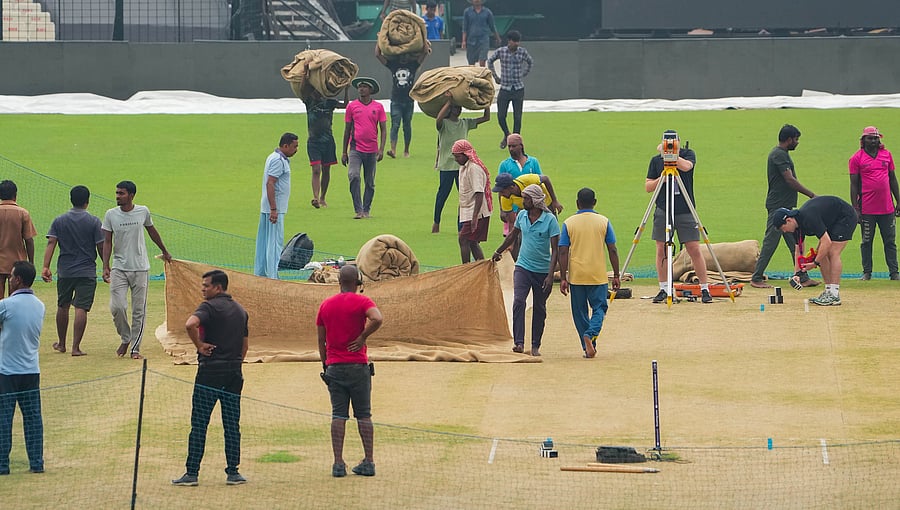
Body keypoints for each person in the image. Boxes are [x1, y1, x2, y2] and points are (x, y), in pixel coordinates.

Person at [172, 269, 249, 487]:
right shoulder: (240, 310)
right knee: (232, 423)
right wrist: (236, 363)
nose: (202, 289)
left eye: (206, 285)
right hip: (234, 373)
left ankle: (192, 473)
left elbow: (190, 324)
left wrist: (199, 345)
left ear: (218, 287)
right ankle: (233, 472)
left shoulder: (208, 307)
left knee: (199, 422)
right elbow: (245, 345)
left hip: (210, 373)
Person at [317, 265, 383, 478]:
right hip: (358, 366)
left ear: (339, 282)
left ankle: (338, 463)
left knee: (338, 415)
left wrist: (325, 364)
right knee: (364, 414)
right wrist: (362, 337)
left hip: (335, 366)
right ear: (358, 282)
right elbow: (377, 318)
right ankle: (369, 461)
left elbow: (321, 339)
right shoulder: (363, 302)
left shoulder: (326, 305)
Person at [101, 180, 172, 359]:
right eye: (117, 193)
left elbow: (152, 231)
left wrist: (164, 250)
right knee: (117, 307)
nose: (117, 196)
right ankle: (126, 338)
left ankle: (135, 348)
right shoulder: (110, 214)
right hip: (119, 268)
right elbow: (107, 241)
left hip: (140, 268)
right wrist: (105, 265)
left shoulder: (143, 211)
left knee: (139, 310)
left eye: (121, 193)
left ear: (131, 195)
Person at [645, 130, 714, 304]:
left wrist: (670, 155)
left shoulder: (688, 154)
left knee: (694, 248)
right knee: (661, 249)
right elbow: (648, 187)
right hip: (663, 208)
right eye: (667, 143)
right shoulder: (656, 161)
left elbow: (687, 167)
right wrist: (662, 177)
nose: (670, 145)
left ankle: (704, 288)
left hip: (685, 209)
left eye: (673, 142)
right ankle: (664, 288)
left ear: (678, 142)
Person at [491, 184, 559, 356]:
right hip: (523, 267)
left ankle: (535, 345)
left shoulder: (550, 220)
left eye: (527, 199)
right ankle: (519, 343)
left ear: (535, 201)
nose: (523, 201)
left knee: (539, 308)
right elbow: (513, 235)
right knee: (519, 301)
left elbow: (556, 250)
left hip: (542, 271)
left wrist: (550, 275)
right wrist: (498, 251)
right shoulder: (522, 215)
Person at [751, 124, 819, 288]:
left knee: (795, 243)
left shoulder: (782, 154)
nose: (797, 142)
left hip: (785, 206)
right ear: (789, 139)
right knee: (771, 242)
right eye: (796, 139)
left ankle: (802, 276)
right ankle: (756, 277)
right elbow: (789, 179)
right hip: (778, 207)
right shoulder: (779, 155)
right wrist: (811, 195)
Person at [41, 185, 104, 357]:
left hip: (65, 271)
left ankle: (61, 344)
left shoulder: (59, 220)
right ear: (87, 201)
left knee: (63, 305)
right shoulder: (94, 221)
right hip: (87, 271)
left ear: (71, 200)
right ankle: (76, 347)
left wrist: (46, 266)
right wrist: (106, 266)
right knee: (81, 308)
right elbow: (101, 246)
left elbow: (51, 243)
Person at [558, 189, 620, 359]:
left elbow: (563, 251)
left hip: (577, 276)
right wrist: (616, 275)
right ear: (595, 202)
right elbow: (612, 250)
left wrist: (563, 277)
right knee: (599, 308)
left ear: (577, 203)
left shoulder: (569, 223)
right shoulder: (604, 222)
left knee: (579, 313)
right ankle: (591, 334)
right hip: (597, 275)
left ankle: (587, 347)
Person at [0, 261, 45, 475]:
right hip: (31, 371)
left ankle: (2, 464)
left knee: (3, 419)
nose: (9, 280)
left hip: (7, 372)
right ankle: (36, 463)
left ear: (18, 280)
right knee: (33, 418)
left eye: (11, 277)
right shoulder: (40, 305)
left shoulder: (6, 305)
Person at [773, 196, 858, 306]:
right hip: (832, 221)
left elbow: (826, 242)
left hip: (845, 217)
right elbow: (799, 251)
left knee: (832, 252)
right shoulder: (796, 228)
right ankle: (828, 291)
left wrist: (814, 263)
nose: (784, 231)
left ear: (788, 220)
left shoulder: (809, 217)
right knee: (822, 253)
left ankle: (834, 294)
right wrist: (797, 274)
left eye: (782, 228)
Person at [433, 94, 490, 233]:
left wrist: (486, 103)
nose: (457, 110)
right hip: (447, 166)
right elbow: (438, 120)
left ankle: (461, 226)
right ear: (450, 109)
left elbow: (486, 118)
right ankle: (436, 222)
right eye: (455, 108)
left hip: (463, 166)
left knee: (464, 196)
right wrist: (449, 102)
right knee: (442, 195)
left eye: (459, 108)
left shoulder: (465, 123)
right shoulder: (444, 124)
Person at [849, 126, 899, 280]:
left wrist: (899, 201)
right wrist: (855, 208)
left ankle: (894, 272)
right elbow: (853, 185)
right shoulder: (856, 158)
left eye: (876, 138)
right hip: (867, 209)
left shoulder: (887, 155)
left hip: (887, 208)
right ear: (863, 140)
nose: (873, 141)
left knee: (890, 242)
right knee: (866, 241)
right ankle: (867, 272)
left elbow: (892, 179)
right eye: (870, 138)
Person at [301, 62, 349, 209]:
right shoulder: (309, 101)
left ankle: (323, 197)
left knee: (326, 169)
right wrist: (305, 74)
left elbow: (345, 105)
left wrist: (346, 89)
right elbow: (303, 89)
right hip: (314, 141)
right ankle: (315, 197)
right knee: (316, 169)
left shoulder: (329, 103)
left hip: (328, 141)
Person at [254, 133, 299, 278]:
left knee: (264, 242)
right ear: (285, 146)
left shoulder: (273, 157)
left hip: (268, 207)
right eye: (294, 146)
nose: (296, 150)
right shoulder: (278, 160)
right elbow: (270, 183)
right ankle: (272, 276)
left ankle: (261, 274)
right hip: (274, 209)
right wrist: (274, 209)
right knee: (274, 243)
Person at [342, 77, 387, 219]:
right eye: (360, 87)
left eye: (364, 87)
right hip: (355, 148)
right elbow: (347, 129)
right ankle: (358, 210)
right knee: (354, 176)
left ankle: (366, 210)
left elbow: (383, 129)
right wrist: (344, 152)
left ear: (370, 90)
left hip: (372, 150)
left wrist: (381, 149)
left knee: (370, 182)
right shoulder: (352, 106)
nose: (361, 89)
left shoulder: (378, 107)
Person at [493, 172, 563, 260]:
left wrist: (554, 201)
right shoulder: (505, 198)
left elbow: (545, 179)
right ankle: (519, 262)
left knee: (552, 237)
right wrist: (510, 244)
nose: (501, 194)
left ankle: (558, 260)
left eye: (502, 191)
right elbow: (512, 222)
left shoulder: (527, 180)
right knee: (521, 238)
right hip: (526, 210)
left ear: (511, 187)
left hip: (545, 205)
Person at [375, 44, 427, 159]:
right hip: (396, 100)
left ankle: (406, 150)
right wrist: (380, 40)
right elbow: (378, 55)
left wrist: (424, 41)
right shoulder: (393, 65)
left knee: (407, 126)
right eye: (402, 54)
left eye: (406, 54)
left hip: (409, 100)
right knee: (395, 124)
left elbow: (424, 53)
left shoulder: (413, 65)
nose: (404, 57)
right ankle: (393, 150)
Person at [487, 30, 533, 149]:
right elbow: (490, 61)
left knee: (517, 117)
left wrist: (523, 73)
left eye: (518, 41)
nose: (517, 44)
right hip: (505, 88)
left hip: (518, 88)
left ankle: (516, 142)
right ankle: (507, 135)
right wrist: (495, 76)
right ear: (509, 41)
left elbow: (530, 62)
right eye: (514, 41)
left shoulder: (522, 52)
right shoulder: (501, 52)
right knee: (501, 116)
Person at [453, 139, 493, 263]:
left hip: (477, 211)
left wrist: (475, 217)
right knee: (471, 242)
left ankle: (466, 268)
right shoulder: (463, 167)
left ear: (466, 154)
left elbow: (479, 193)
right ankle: (482, 268)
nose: (456, 159)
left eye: (458, 156)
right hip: (467, 210)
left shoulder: (474, 168)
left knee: (463, 239)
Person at [0, 180, 37, 298]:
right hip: (17, 264)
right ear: (15, 195)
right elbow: (29, 240)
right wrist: (31, 262)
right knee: (15, 298)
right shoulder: (23, 213)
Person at [461, 0, 500, 67]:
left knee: (482, 60)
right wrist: (463, 41)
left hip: (483, 40)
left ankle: (482, 73)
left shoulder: (487, 12)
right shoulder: (467, 12)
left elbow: (492, 27)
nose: (477, 0)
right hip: (471, 41)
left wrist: (497, 38)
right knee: (471, 63)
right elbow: (465, 28)